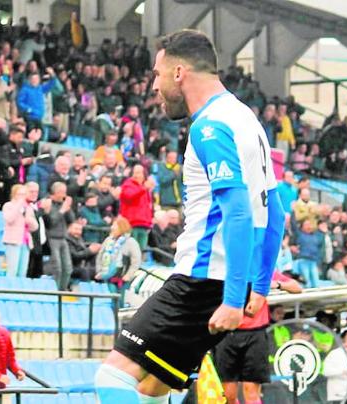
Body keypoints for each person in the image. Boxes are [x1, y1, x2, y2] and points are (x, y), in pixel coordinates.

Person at [94, 30, 284, 403]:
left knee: (112, 379)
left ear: (178, 72)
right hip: (226, 281)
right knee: (152, 387)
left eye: (157, 74)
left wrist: (233, 299)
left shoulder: (210, 126)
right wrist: (257, 288)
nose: (154, 85)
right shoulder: (245, 119)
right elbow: (274, 212)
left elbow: (239, 213)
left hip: (202, 280)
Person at [213, 271, 302, 404]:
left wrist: (276, 284)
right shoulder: (224, 268)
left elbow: (297, 287)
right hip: (227, 333)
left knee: (251, 392)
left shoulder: (260, 268)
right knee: (228, 395)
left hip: (255, 334)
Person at [95, 216, 142, 307]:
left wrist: (128, 275)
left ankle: (120, 317)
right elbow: (100, 256)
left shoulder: (131, 242)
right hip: (108, 275)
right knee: (113, 298)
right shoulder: (108, 240)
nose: (112, 227)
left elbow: (136, 261)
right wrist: (99, 271)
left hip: (122, 276)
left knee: (120, 299)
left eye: (115, 225)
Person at [42, 182, 75, 290]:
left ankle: (63, 289)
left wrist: (68, 208)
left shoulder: (63, 205)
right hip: (52, 238)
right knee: (57, 268)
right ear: (55, 193)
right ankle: (55, 291)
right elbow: (50, 222)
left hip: (63, 238)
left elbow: (71, 220)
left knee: (68, 267)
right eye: (62, 192)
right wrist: (62, 211)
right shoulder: (48, 203)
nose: (64, 195)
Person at [2, 184, 38, 277]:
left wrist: (29, 220)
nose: (22, 197)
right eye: (20, 194)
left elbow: (35, 227)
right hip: (13, 241)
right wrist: (18, 206)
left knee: (22, 271)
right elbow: (9, 219)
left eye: (24, 194)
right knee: (12, 269)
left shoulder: (28, 208)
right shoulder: (8, 205)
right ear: (14, 194)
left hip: (25, 242)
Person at [119, 164, 154, 251]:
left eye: (138, 173)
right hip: (132, 224)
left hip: (144, 224)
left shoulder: (145, 189)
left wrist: (150, 221)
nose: (135, 175)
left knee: (141, 250)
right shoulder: (127, 184)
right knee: (131, 250)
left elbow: (148, 206)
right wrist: (144, 189)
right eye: (134, 173)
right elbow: (129, 197)